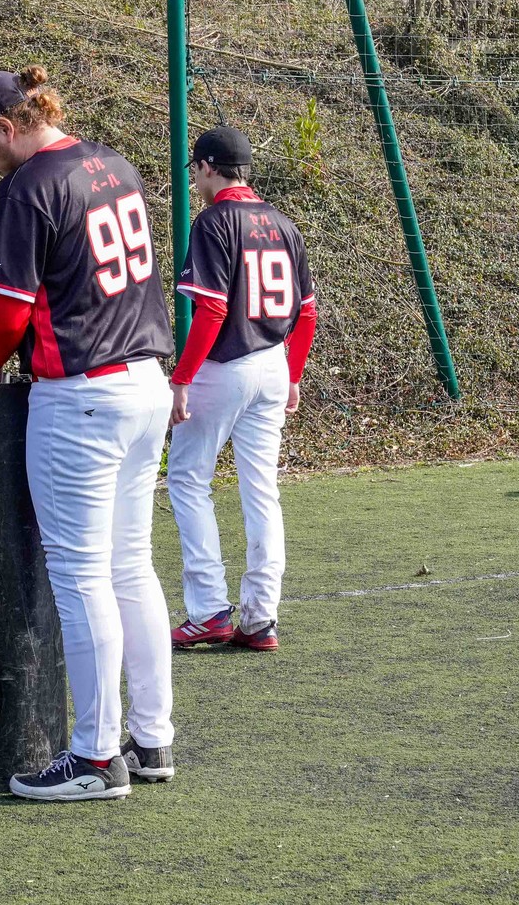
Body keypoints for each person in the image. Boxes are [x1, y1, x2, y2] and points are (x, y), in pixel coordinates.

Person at [0, 66, 176, 801]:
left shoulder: (24, 185)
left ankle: (95, 755)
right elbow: (83, 267)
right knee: (130, 567)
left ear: (3, 128)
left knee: (82, 580)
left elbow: (11, 313)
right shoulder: (112, 161)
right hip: (145, 381)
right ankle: (151, 738)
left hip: (79, 394)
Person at [167, 126, 318, 653]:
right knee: (261, 490)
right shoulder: (283, 223)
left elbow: (209, 308)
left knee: (187, 479)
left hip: (225, 365)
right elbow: (307, 312)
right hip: (274, 364)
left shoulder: (213, 222)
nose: (197, 180)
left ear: (208, 166)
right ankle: (260, 617)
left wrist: (181, 378)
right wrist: (293, 374)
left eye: (197, 170)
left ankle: (208, 610)